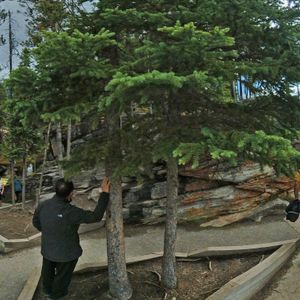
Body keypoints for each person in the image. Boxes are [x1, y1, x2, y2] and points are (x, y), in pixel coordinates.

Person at [33, 177, 110, 300]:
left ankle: (47, 291)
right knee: (62, 277)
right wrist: (105, 193)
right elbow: (96, 216)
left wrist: (50, 232)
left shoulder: (43, 205)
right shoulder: (71, 212)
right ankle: (55, 296)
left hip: (48, 249)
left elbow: (36, 222)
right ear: (71, 194)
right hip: (67, 254)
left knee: (47, 272)